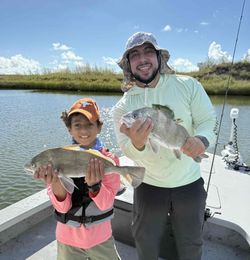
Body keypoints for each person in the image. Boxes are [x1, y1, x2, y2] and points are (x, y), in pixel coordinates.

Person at [112, 32, 217, 260]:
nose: (143, 59)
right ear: (128, 64)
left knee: (191, 245)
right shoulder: (122, 108)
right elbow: (127, 150)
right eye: (135, 55)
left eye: (149, 51)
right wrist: (137, 144)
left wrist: (202, 140)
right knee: (146, 244)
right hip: (148, 186)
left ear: (160, 57)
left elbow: (208, 121)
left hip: (189, 183)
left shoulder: (188, 85)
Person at [34, 97, 121, 260]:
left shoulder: (110, 160)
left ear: (99, 127)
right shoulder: (57, 159)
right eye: (77, 125)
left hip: (101, 238)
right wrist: (55, 182)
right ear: (69, 129)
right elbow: (62, 208)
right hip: (67, 240)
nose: (84, 131)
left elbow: (106, 204)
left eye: (90, 124)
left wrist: (95, 185)